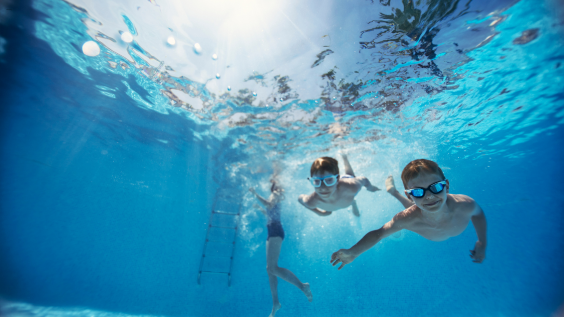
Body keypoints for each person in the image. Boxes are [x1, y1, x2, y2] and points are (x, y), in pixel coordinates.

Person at [330, 159, 488, 270]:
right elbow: (379, 234)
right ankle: (393, 192)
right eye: (418, 191)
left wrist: (482, 242)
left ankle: (393, 192)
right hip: (416, 214)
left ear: (446, 185)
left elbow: (479, 215)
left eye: (435, 187)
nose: (429, 196)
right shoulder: (406, 219)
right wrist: (354, 252)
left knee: (421, 207)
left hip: (419, 211)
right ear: (409, 195)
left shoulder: (465, 205)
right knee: (416, 210)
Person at [249, 179, 312, 317]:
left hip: (275, 231)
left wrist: (254, 193)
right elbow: (270, 212)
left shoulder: (275, 193)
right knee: (269, 269)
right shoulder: (276, 194)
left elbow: (269, 205)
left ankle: (302, 286)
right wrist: (260, 209)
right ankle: (276, 303)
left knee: (273, 268)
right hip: (272, 230)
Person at [298, 153, 381, 217]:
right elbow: (300, 198)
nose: (322, 188)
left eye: (329, 180)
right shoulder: (311, 201)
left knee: (350, 175)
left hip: (346, 183)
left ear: (337, 179)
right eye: (316, 181)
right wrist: (320, 213)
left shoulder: (351, 187)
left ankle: (344, 157)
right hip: (338, 201)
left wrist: (370, 187)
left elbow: (364, 179)